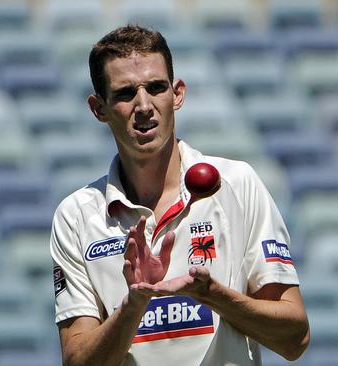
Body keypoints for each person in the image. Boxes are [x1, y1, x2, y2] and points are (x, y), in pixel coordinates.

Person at [50, 25, 309, 366]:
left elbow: (295, 339)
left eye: (156, 88)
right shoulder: (77, 216)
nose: (144, 105)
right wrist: (135, 303)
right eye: (126, 93)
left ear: (178, 94)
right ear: (99, 108)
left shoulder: (236, 184)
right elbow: (77, 361)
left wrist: (213, 295)